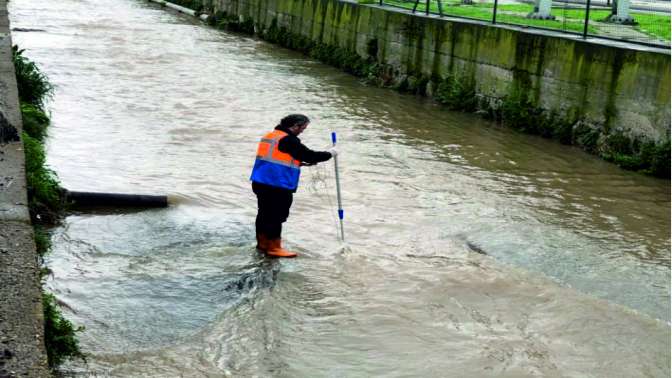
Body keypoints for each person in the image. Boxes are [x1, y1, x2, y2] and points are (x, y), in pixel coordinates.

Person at [250, 114, 336, 258]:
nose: (303, 131)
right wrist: (331, 154)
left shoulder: (272, 135)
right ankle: (274, 248)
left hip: (261, 181)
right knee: (276, 216)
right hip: (277, 184)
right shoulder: (288, 140)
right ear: (295, 126)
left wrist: (299, 163)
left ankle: (263, 244)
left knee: (264, 214)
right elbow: (309, 155)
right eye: (303, 128)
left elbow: (277, 157)